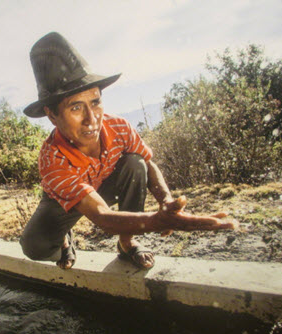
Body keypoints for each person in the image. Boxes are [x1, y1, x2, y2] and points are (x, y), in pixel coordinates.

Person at [20, 32, 236, 270]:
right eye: (76, 107)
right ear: (52, 115)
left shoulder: (119, 128)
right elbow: (102, 216)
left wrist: (166, 201)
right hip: (62, 203)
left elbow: (148, 164)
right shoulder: (53, 158)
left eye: (95, 102)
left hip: (102, 185)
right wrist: (155, 221)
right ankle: (63, 238)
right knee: (34, 246)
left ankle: (127, 243)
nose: (91, 120)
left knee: (135, 162)